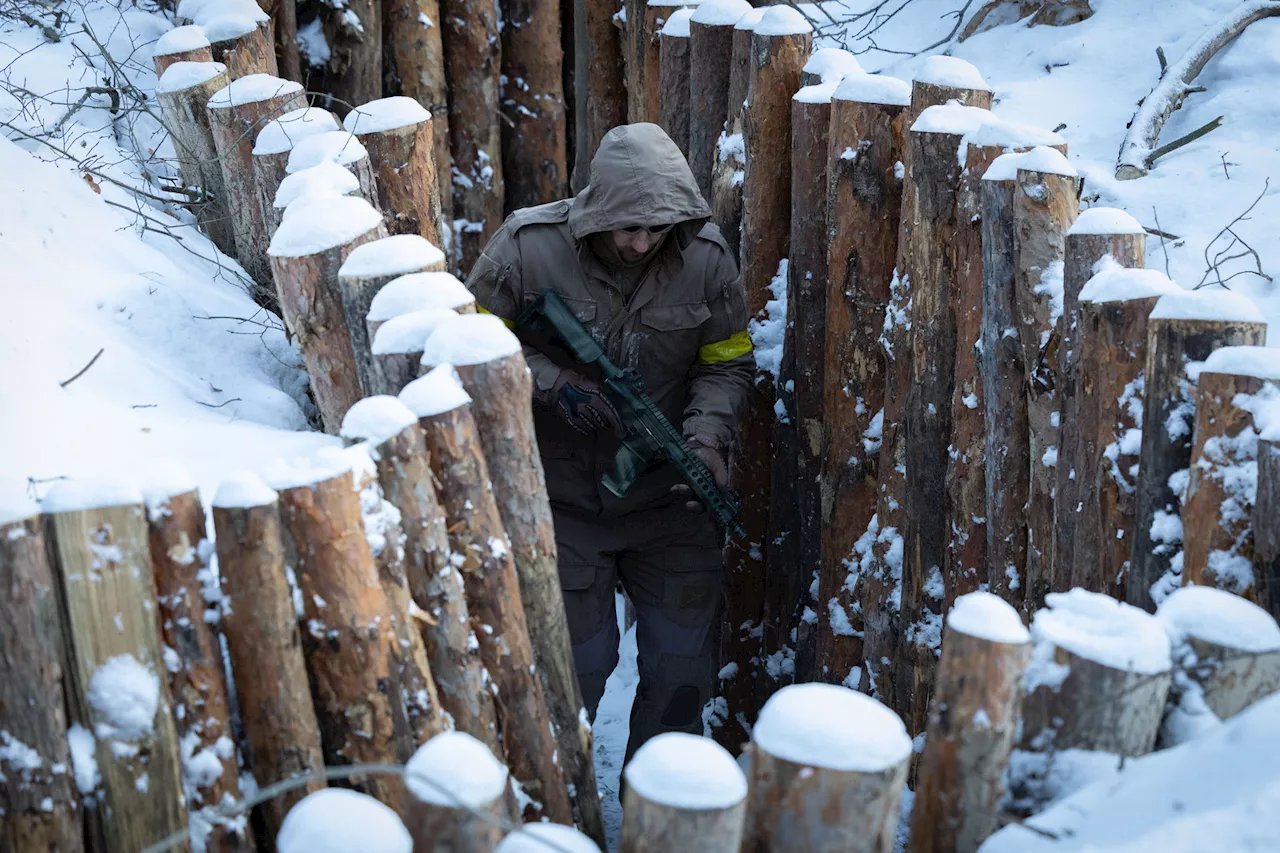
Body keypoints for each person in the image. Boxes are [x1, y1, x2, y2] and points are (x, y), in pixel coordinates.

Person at [464, 123, 753, 761]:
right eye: (627, 228)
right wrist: (549, 383)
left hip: (671, 509)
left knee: (681, 681)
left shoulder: (705, 256)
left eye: (655, 229)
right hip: (560, 506)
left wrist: (706, 440)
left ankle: (661, 817)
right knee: (571, 677)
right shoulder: (526, 248)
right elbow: (465, 341)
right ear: (597, 210)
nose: (641, 242)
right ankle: (561, 822)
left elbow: (727, 361)